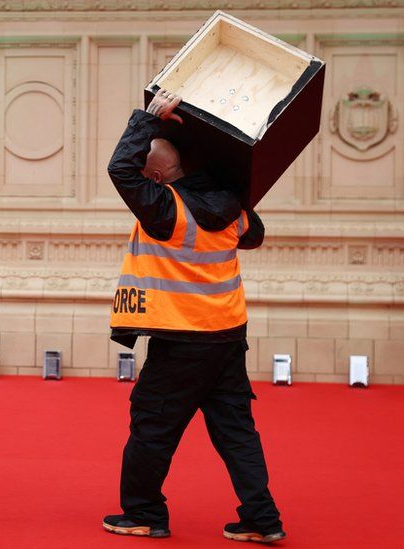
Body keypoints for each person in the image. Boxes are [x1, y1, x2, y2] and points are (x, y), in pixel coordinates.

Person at [101, 89, 284, 543]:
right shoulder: (233, 212)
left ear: (159, 176)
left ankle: (143, 514)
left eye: (149, 176)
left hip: (181, 341)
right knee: (236, 432)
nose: (142, 184)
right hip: (227, 338)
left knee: (152, 427)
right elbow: (254, 234)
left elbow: (119, 170)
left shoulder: (166, 210)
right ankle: (263, 520)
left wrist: (146, 120)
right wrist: (234, 179)